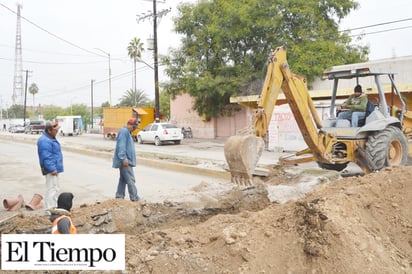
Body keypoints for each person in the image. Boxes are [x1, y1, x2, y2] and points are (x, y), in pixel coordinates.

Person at [37, 120, 63, 214]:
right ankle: (50, 210)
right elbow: (46, 157)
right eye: (55, 130)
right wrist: (52, 169)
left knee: (54, 189)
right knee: (52, 189)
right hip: (51, 170)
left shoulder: (50, 138)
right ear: (49, 130)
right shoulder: (45, 141)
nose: (57, 131)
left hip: (53, 168)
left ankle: (53, 208)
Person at [112, 118, 140, 201]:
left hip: (126, 160)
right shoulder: (124, 132)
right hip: (125, 161)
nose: (134, 129)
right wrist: (124, 158)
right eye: (134, 127)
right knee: (131, 179)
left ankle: (119, 196)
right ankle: (134, 198)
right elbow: (121, 146)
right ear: (129, 125)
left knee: (123, 179)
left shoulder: (127, 132)